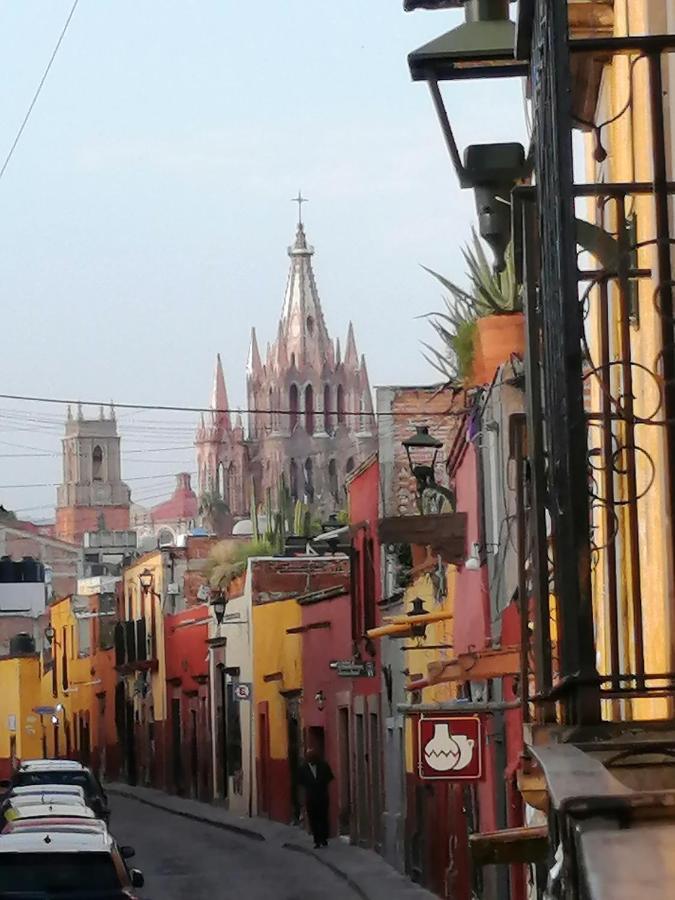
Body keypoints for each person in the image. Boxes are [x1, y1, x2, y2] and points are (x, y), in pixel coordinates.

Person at [297, 747, 334, 848]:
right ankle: (317, 840)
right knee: (313, 819)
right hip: (310, 797)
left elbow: (330, 778)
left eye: (312, 756)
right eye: (308, 756)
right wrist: (302, 800)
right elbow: (301, 785)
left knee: (323, 818)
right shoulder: (302, 768)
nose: (310, 758)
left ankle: (324, 838)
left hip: (322, 796)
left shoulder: (324, 766)